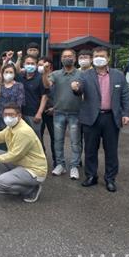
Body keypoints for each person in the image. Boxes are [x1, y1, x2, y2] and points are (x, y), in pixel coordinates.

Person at [71, 46, 129, 192]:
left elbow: (125, 95)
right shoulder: (85, 75)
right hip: (91, 117)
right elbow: (79, 89)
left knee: (111, 150)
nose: (99, 58)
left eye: (102, 56)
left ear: (108, 58)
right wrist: (75, 88)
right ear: (93, 58)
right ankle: (91, 176)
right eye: (96, 56)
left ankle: (110, 179)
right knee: (90, 149)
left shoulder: (118, 75)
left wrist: (126, 114)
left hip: (111, 117)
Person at [0, 103, 47, 203]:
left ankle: (31, 190)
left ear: (19, 116)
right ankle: (10, 185)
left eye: (11, 114)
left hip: (34, 170)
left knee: (1, 181)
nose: (7, 117)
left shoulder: (23, 131)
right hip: (23, 164)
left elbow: (14, 156)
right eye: (5, 114)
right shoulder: (11, 127)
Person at [42, 49, 82, 180]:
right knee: (58, 141)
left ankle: (74, 166)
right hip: (59, 112)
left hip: (76, 113)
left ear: (74, 58)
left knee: (75, 142)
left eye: (70, 56)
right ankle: (60, 165)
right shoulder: (56, 74)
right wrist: (45, 73)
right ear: (61, 59)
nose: (67, 58)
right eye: (64, 56)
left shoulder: (81, 74)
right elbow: (47, 85)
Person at [17, 55, 48, 140]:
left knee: (35, 139)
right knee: (22, 139)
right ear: (24, 64)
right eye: (28, 63)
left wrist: (39, 113)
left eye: (32, 63)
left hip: (34, 115)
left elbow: (45, 96)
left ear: (36, 65)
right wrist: (19, 58)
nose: (30, 65)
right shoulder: (20, 77)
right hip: (20, 114)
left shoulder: (40, 78)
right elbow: (15, 70)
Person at [0, 64, 25, 135]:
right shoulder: (0, 85)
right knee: (0, 138)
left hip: (13, 117)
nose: (8, 74)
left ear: (14, 74)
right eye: (6, 72)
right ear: (3, 73)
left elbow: (19, 104)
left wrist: (17, 116)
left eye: (11, 72)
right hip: (0, 116)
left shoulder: (19, 85)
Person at [38, 57, 56, 168]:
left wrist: (55, 108)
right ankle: (41, 157)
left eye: (45, 65)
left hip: (52, 111)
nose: (42, 67)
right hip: (39, 112)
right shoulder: (35, 77)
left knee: (55, 137)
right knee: (38, 136)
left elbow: (61, 94)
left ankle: (57, 161)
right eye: (40, 65)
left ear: (50, 67)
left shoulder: (55, 77)